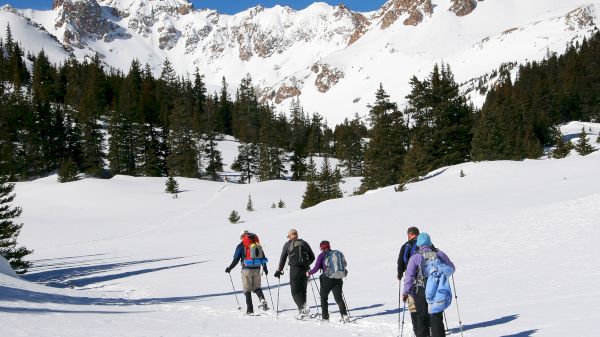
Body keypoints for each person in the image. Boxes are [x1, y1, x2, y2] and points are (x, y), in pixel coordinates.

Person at [402, 233, 455, 337]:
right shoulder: (439, 254)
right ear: (429, 242)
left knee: (422, 317)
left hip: (420, 291)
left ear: (419, 244)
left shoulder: (415, 257)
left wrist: (405, 292)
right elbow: (452, 268)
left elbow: (409, 278)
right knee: (436, 316)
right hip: (437, 290)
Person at [273, 228, 315, 318]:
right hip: (305, 269)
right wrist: (306, 264)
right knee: (303, 290)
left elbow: (283, 258)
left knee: (295, 292)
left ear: (291, 235)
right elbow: (312, 257)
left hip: (294, 269)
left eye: (289, 236)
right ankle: (303, 310)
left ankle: (302, 309)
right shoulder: (304, 243)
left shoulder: (287, 244)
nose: (288, 238)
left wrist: (279, 271)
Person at [225, 230, 269, 314]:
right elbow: (262, 257)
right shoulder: (256, 244)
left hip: (246, 270)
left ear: (242, 237)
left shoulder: (241, 246)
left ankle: (250, 309)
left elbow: (236, 259)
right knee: (257, 287)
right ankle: (262, 300)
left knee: (247, 290)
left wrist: (230, 268)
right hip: (257, 268)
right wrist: (265, 268)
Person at [307, 240, 349, 322]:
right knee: (339, 298)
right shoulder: (337, 253)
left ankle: (325, 317)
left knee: (323, 297)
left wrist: (309, 273)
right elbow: (345, 264)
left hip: (326, 278)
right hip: (338, 277)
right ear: (329, 246)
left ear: (321, 248)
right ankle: (344, 315)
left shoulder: (322, 255)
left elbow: (316, 268)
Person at [397, 226, 421, 335]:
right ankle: (428, 328)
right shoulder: (425, 244)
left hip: (410, 277)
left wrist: (399, 274)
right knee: (425, 303)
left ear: (409, 235)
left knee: (413, 305)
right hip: (425, 278)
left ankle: (417, 330)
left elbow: (400, 262)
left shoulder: (405, 246)